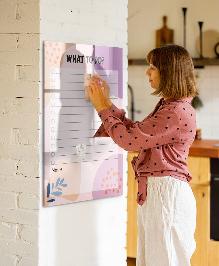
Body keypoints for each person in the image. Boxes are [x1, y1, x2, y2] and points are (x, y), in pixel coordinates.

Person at [85, 44, 198, 266]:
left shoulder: (175, 111)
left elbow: (129, 140)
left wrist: (101, 108)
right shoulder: (171, 106)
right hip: (160, 193)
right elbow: (137, 133)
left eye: (153, 67)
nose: (147, 72)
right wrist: (107, 104)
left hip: (166, 195)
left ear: (169, 71)